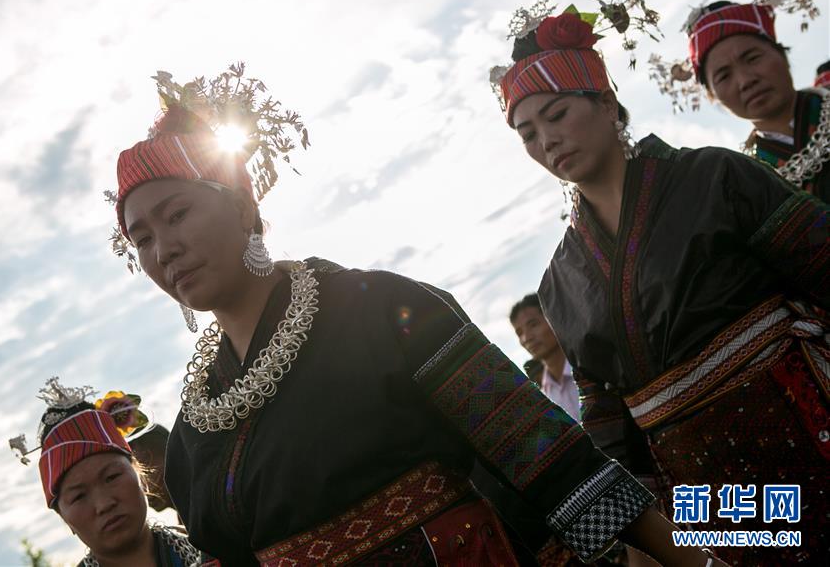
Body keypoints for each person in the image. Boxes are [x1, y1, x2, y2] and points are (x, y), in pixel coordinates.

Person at [109, 66, 720, 566]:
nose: (163, 248)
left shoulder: (380, 310)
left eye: (177, 214)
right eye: (141, 238)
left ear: (243, 207)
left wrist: (691, 562)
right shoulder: (195, 434)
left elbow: (546, 454)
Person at [493, 1, 829, 565]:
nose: (546, 140)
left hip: (805, 426)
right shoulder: (559, 283)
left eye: (556, 115)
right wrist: (656, 544)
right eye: (527, 132)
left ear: (606, 105)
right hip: (704, 498)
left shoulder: (715, 176)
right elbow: (607, 426)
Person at [9, 379, 215, 567]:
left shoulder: (217, 551)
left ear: (139, 474)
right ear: (63, 516)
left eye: (112, 477)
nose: (104, 504)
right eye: (79, 496)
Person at [683, 0, 829, 200]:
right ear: (712, 95)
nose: (745, 81)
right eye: (724, 76)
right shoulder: (745, 184)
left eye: (752, 58)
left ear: (781, 53)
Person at [510, 293, 580, 421]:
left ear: (553, 318)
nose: (527, 338)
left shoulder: (589, 368)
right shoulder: (544, 399)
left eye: (533, 324)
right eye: (519, 333)